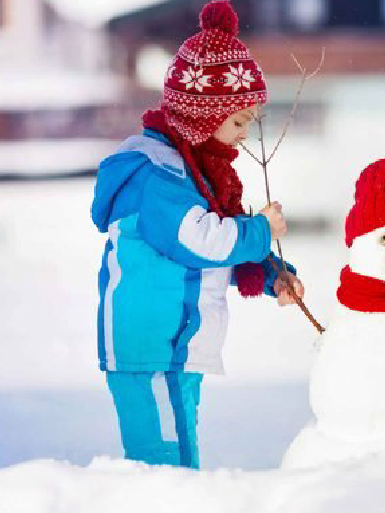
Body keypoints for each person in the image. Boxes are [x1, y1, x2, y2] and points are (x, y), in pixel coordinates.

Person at [89, 0, 303, 469]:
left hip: (176, 343)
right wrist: (261, 229)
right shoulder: (158, 174)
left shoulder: (195, 176)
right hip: (150, 344)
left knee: (182, 453)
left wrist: (270, 276)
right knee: (163, 465)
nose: (246, 134)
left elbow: (211, 249)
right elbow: (198, 241)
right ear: (205, 116)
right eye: (239, 121)